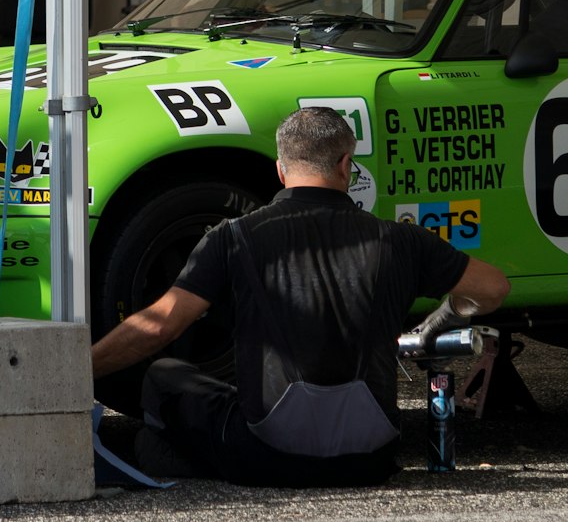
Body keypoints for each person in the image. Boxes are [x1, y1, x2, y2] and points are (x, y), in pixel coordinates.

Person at [91, 106, 510, 486]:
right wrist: (447, 314)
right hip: (370, 460)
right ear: (347, 166)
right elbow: (493, 289)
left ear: (279, 170)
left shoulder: (233, 237)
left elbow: (159, 326)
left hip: (269, 454)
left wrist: (77, 370)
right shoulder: (401, 240)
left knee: (164, 378)